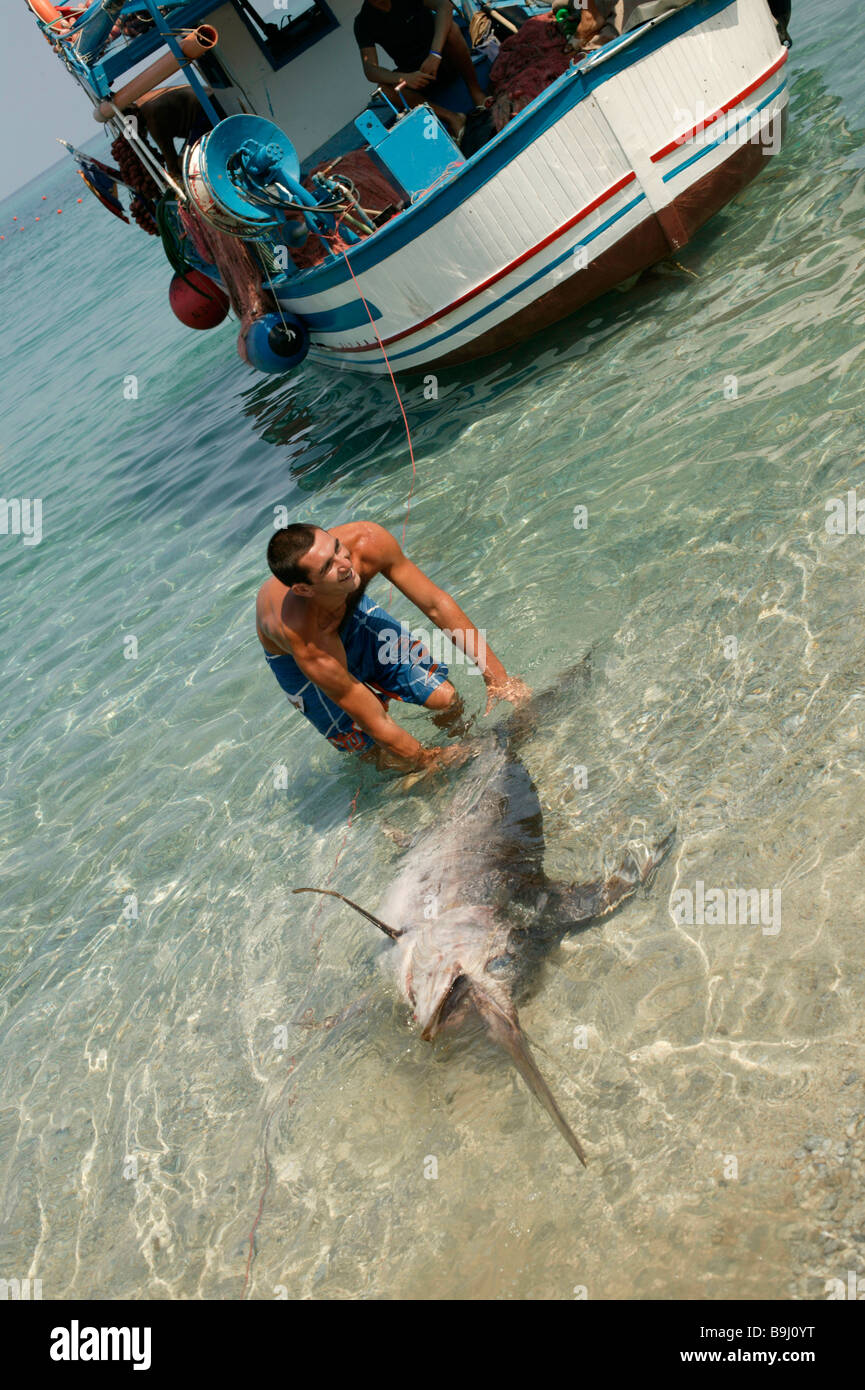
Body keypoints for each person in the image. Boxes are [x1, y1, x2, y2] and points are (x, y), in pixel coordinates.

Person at [256, 521, 530, 767]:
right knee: (377, 753)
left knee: (445, 698)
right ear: (304, 590)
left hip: (347, 609)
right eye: (328, 566)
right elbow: (376, 722)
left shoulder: (367, 542)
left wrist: (498, 678)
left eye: (337, 548)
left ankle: (466, 742)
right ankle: (419, 777)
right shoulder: (303, 637)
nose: (345, 563)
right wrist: (430, 760)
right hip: (302, 660)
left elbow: (436, 605)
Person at [354, 0, 487, 144]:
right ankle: (453, 118)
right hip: (417, 75)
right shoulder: (363, 21)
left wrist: (435, 54)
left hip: (443, 55)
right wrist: (404, 78)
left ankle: (476, 93)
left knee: (452, 29)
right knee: (383, 89)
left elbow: (444, 5)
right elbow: (370, 69)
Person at [129, 86, 213, 182]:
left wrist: (174, 181)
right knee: (187, 157)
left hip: (205, 110)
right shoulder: (143, 101)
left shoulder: (152, 119)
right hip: (211, 95)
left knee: (184, 164)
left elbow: (171, 163)